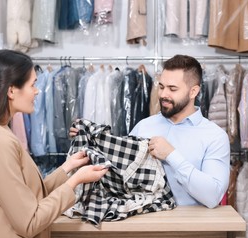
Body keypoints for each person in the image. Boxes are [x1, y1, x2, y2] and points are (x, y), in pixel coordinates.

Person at [0, 49, 108, 238]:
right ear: (11, 91)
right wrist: (75, 182)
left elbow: (26, 198)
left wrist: (67, 168)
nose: (37, 91)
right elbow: (30, 221)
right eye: (32, 84)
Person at [70, 54, 230, 208]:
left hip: (190, 230)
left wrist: (171, 156)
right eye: (161, 87)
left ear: (193, 91)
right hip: (141, 227)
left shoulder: (214, 137)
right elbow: (119, 173)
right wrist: (89, 142)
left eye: (172, 89)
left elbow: (212, 197)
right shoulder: (144, 127)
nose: (163, 94)